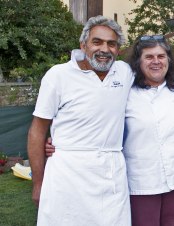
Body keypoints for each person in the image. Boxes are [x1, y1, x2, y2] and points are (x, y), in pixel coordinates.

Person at [27, 15, 132, 225]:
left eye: (111, 44)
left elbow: (158, 69)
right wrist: (38, 183)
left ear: (118, 49)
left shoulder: (125, 72)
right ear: (83, 45)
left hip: (111, 173)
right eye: (97, 42)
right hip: (67, 174)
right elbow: (37, 131)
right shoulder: (58, 76)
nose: (104, 49)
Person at [122, 35, 174, 226]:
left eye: (161, 56)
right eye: (149, 57)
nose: (156, 61)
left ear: (169, 60)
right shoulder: (125, 92)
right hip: (141, 178)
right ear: (138, 62)